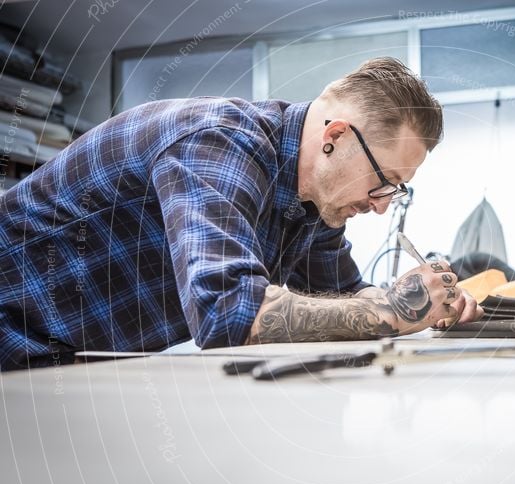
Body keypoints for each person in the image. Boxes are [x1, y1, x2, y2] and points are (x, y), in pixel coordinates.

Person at [0, 57, 483, 370]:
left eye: (396, 192)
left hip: (63, 359)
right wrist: (395, 310)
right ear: (334, 137)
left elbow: (347, 297)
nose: (381, 206)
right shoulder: (219, 142)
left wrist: (431, 306)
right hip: (15, 339)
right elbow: (228, 313)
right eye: (385, 183)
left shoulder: (318, 204)